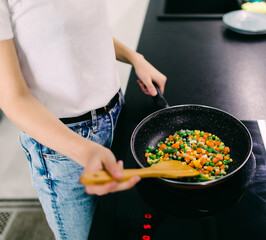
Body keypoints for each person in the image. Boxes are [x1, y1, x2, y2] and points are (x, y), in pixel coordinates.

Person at [0, 1, 167, 239]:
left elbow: (82, 32)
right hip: (63, 149)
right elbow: (12, 98)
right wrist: (86, 151)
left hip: (118, 115)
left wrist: (134, 57)